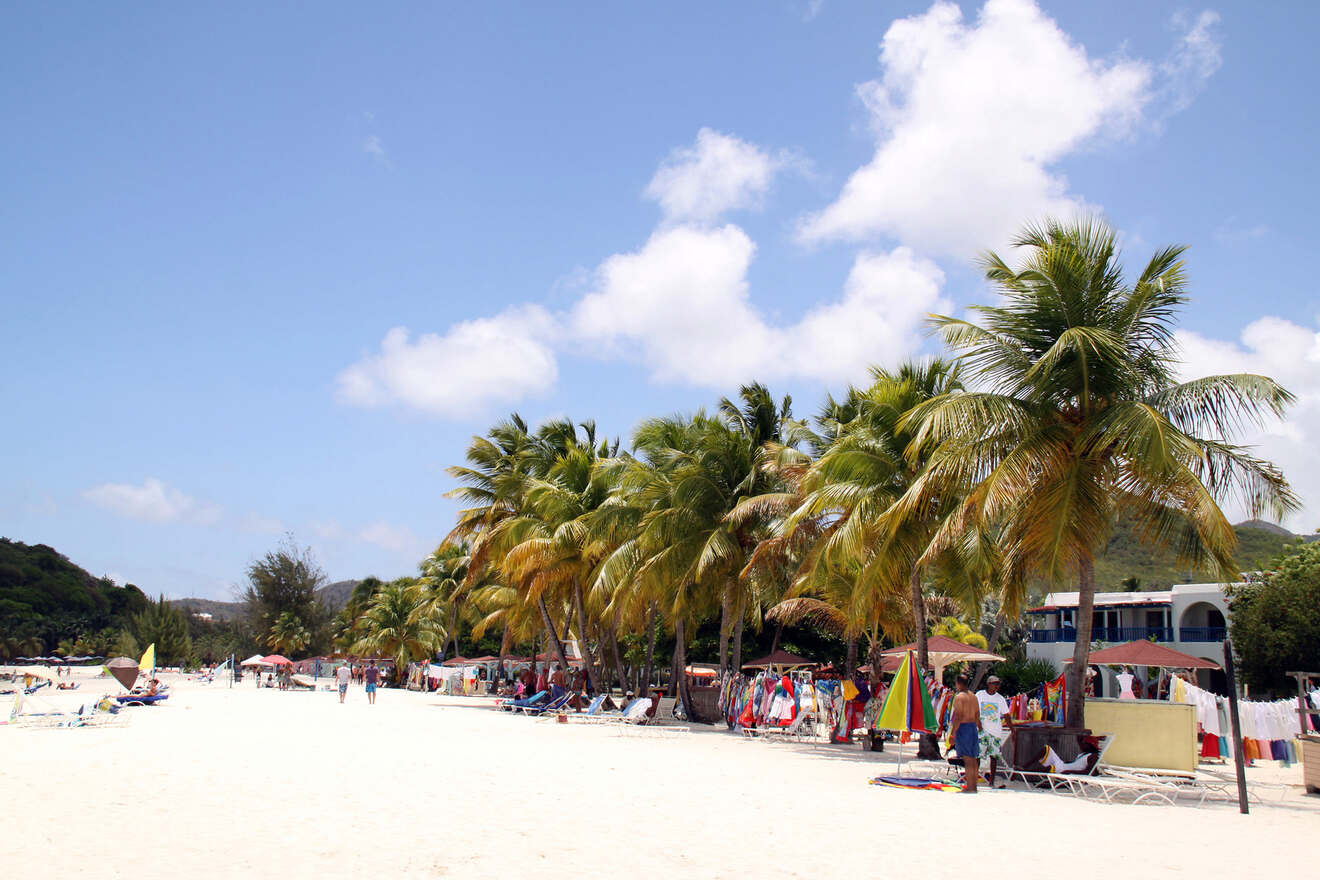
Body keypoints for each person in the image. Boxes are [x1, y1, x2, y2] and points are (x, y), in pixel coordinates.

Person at [976, 675, 1010, 788]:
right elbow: (975, 710)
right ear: (989, 684)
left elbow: (1007, 715)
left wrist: (1012, 729)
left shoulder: (1000, 699)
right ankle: (974, 778)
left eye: (998, 684)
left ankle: (992, 781)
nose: (997, 686)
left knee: (994, 756)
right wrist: (978, 725)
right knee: (978, 755)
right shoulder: (980, 695)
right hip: (982, 731)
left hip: (995, 732)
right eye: (995, 683)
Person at [951, 674, 981, 793]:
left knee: (967, 759)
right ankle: (974, 786)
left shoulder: (959, 697)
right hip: (973, 727)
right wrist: (979, 727)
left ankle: (969, 787)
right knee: (973, 759)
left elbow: (958, 716)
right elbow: (977, 715)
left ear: (958, 683)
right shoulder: (973, 696)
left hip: (964, 727)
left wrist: (953, 733)